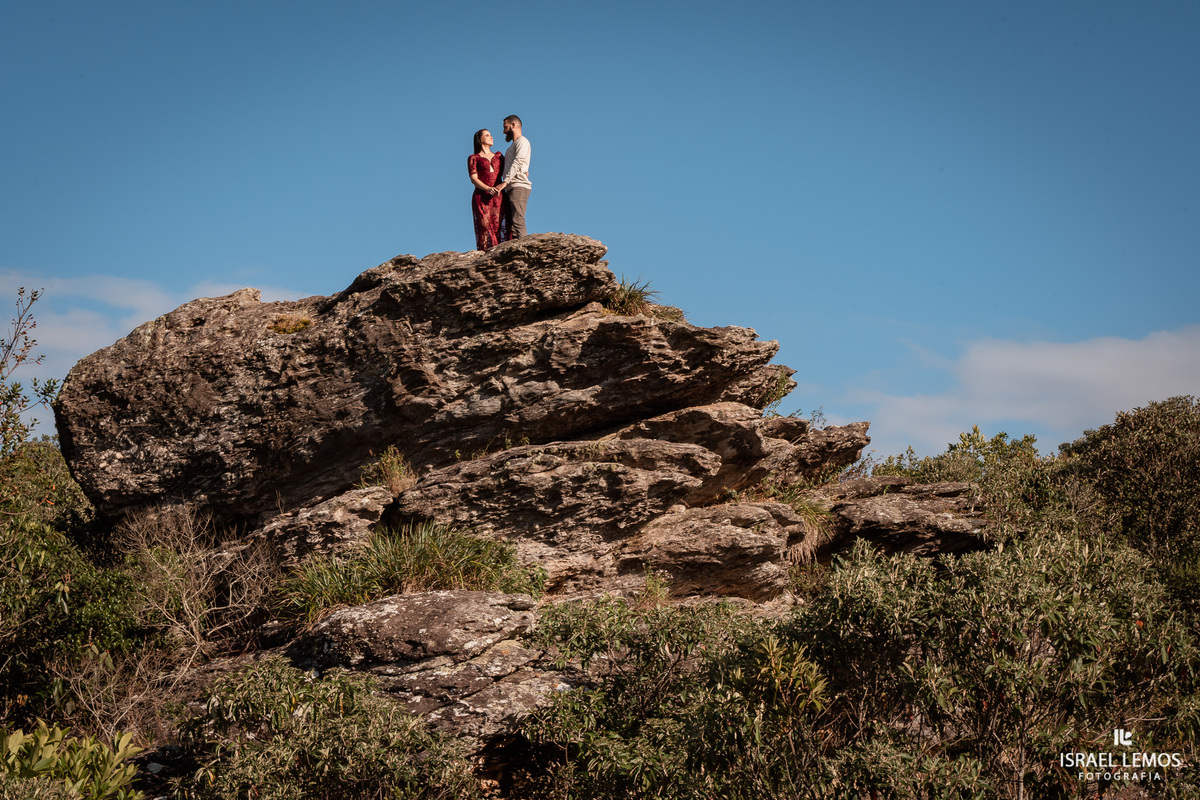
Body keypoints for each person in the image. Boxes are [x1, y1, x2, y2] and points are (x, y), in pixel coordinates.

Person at [468, 128, 508, 250]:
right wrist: (487, 188)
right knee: (483, 226)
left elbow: (508, 171)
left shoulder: (499, 156)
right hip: (481, 196)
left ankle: (498, 251)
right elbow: (473, 178)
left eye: (491, 135)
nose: (491, 137)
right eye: (487, 135)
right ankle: (484, 252)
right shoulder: (473, 158)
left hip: (498, 195)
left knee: (497, 225)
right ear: (480, 140)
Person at [495, 115, 531, 238]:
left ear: (513, 125)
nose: (504, 131)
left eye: (506, 127)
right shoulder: (512, 146)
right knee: (512, 224)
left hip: (518, 186)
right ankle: (515, 253)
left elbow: (518, 162)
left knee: (518, 221)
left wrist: (504, 182)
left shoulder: (522, 141)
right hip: (512, 187)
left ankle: (524, 252)